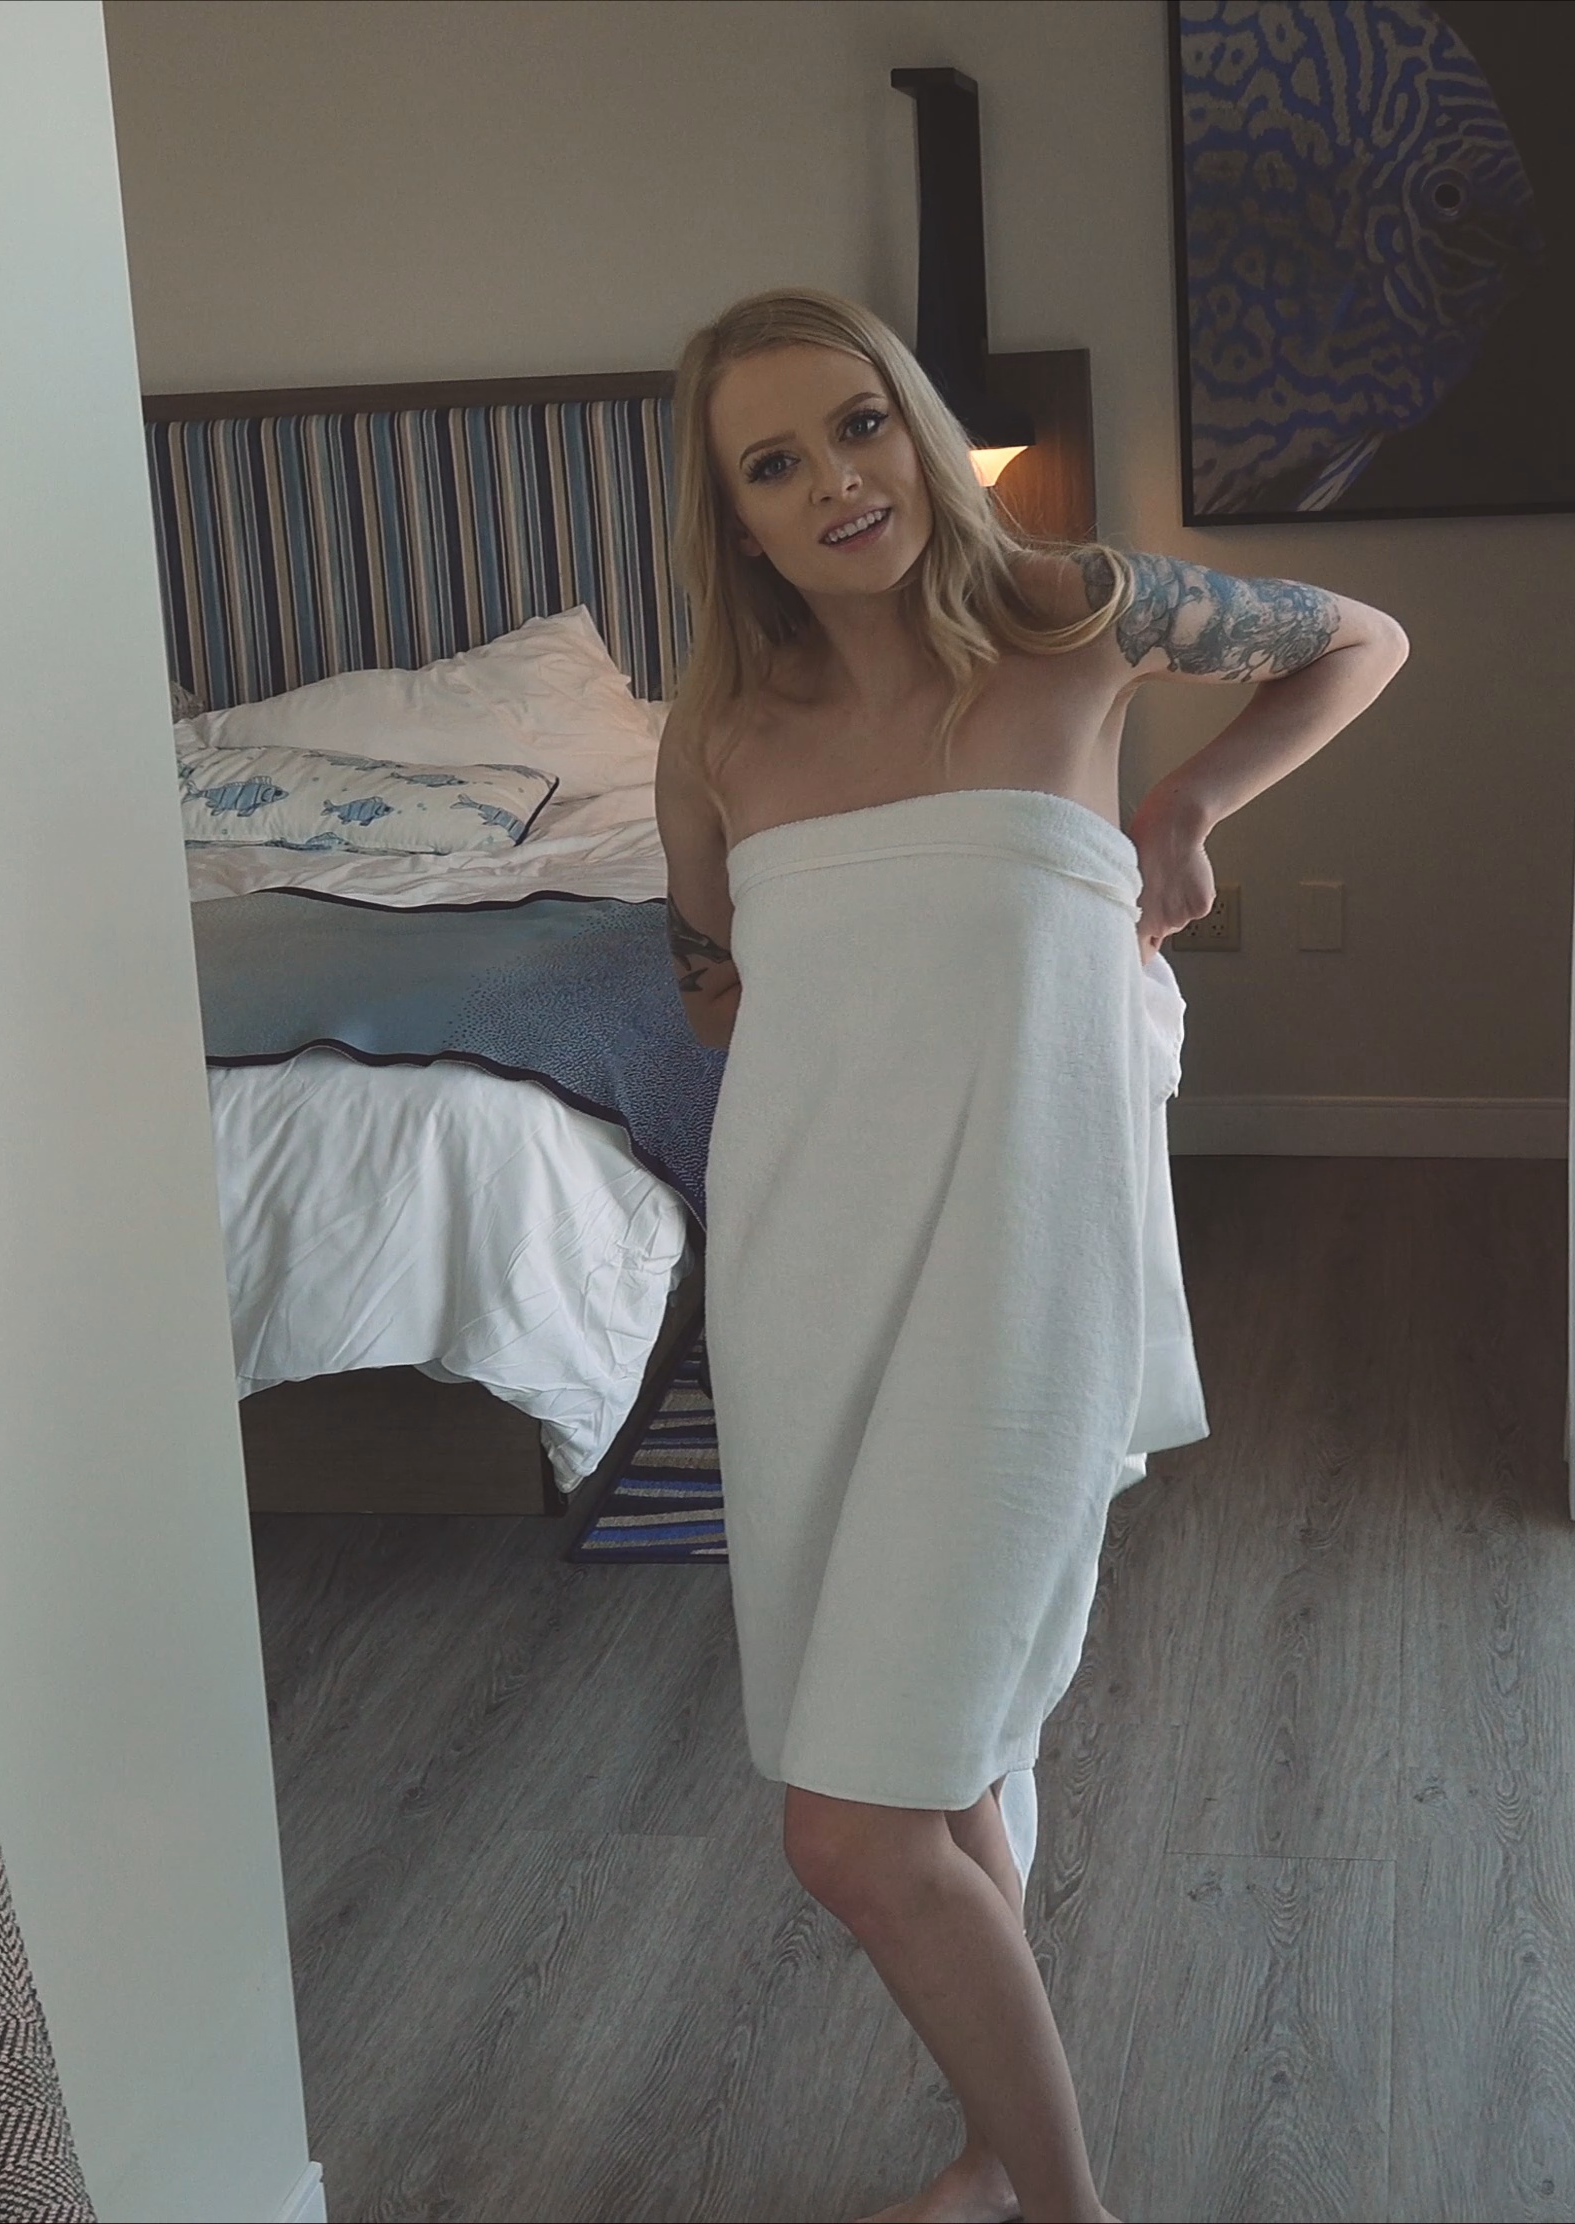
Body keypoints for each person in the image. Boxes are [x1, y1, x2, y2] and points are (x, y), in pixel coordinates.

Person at [656, 288, 1406, 2224]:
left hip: (1021, 1295)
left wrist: (1185, 802)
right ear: (735, 520)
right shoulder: (719, 740)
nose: (836, 482)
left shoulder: (1081, 620)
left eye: (858, 425)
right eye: (774, 463)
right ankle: (1001, 2151)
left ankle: (1063, 2202)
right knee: (948, 1764)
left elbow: (1360, 639)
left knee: (851, 1828)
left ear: (914, 427)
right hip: (807, 1290)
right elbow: (716, 991)